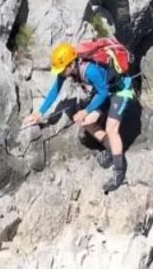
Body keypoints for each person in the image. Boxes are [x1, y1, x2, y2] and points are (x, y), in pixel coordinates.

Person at [22, 41, 135, 192]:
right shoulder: (69, 69)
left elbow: (102, 92)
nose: (61, 73)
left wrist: (85, 110)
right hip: (104, 90)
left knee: (111, 128)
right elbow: (54, 90)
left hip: (120, 90)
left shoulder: (89, 70)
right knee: (86, 123)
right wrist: (39, 113)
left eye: (62, 70)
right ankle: (110, 150)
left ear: (70, 65)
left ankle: (119, 172)